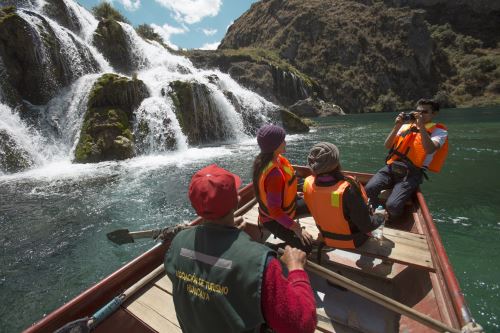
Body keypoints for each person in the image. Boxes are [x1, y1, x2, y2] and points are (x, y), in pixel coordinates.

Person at [165, 164, 317, 333]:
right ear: (237, 201)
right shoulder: (260, 261)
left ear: (195, 205)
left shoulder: (177, 242)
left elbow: (206, 271)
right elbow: (302, 326)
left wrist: (228, 236)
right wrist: (296, 269)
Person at [365, 98, 448, 219]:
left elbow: (430, 149)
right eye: (418, 111)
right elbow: (387, 145)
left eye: (424, 112)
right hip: (392, 167)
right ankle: (377, 215)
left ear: (434, 114)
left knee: (393, 205)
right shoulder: (405, 127)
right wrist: (397, 126)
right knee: (369, 189)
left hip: (411, 173)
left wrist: (421, 127)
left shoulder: (439, 131)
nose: (419, 114)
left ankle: (395, 219)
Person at [303, 142, 384, 248]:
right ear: (336, 163)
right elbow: (366, 226)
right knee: (377, 218)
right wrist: (381, 216)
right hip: (353, 240)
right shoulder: (348, 189)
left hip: (326, 237)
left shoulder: (307, 183)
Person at [252, 124, 314, 253]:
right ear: (275, 146)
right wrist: (296, 228)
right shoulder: (274, 174)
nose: (285, 142)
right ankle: (270, 248)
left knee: (316, 202)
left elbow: (285, 187)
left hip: (287, 208)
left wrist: (295, 194)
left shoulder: (273, 160)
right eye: (282, 140)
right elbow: (274, 211)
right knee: (307, 247)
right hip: (272, 219)